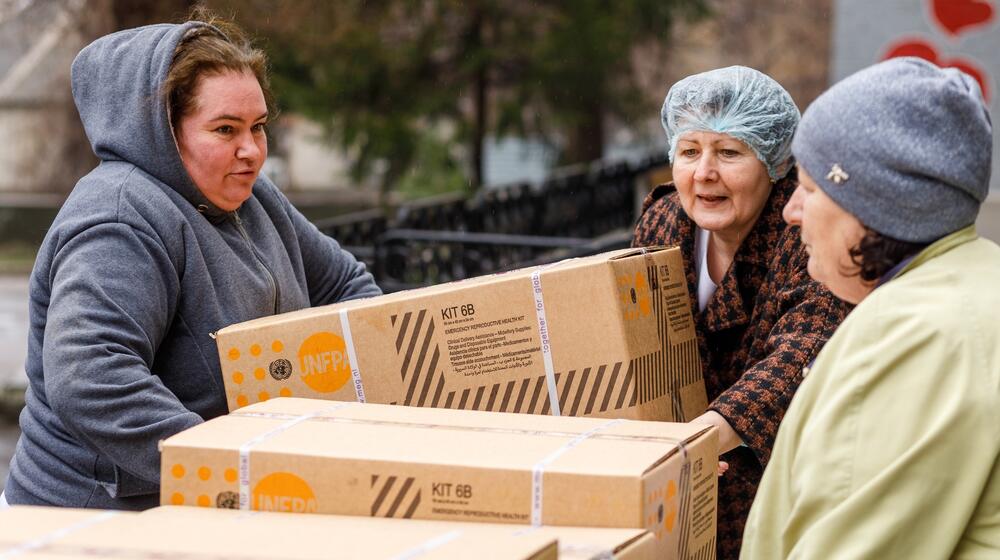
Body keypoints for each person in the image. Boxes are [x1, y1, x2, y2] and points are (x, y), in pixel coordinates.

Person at [2, 12, 381, 510]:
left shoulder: (251, 198)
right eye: (225, 129)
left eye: (258, 127)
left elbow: (347, 287)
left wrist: (379, 376)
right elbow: (93, 378)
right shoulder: (120, 220)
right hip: (100, 519)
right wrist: (237, 463)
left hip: (217, 495)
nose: (251, 150)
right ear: (161, 132)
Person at [742, 57, 999, 558]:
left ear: (874, 211)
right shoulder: (974, 275)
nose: (792, 211)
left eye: (810, 188)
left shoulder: (916, 335)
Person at [632, 66, 850, 558]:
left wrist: (699, 440)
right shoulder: (665, 221)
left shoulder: (803, 232)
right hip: (671, 473)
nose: (704, 173)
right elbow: (637, 346)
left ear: (773, 162)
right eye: (689, 152)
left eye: (729, 153)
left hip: (771, 479)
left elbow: (801, 354)